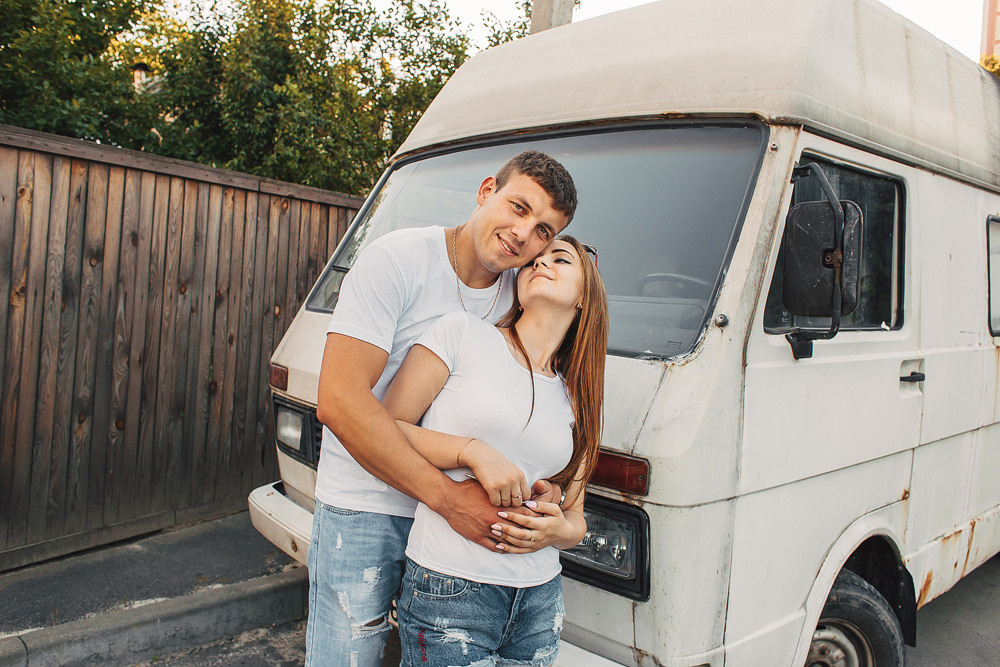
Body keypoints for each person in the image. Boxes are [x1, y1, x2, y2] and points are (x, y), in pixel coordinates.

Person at [306, 151, 578, 667]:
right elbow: (339, 402)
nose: (524, 234)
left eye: (544, 230)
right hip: (367, 504)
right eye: (518, 208)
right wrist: (449, 499)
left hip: (455, 543)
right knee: (347, 655)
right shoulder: (398, 259)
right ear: (485, 191)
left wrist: (556, 499)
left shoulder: (519, 297)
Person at [382, 236, 608, 666]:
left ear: (585, 296)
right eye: (531, 262)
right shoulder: (461, 333)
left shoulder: (577, 394)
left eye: (560, 259)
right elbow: (385, 427)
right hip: (450, 587)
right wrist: (470, 451)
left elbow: (576, 517)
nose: (540, 264)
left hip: (540, 601)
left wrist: (557, 532)